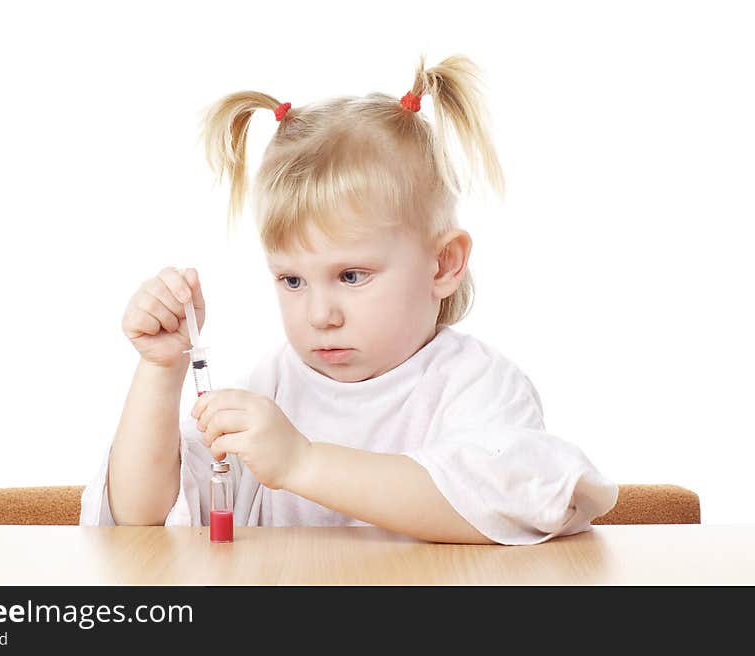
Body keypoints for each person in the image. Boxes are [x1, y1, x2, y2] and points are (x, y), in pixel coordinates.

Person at [80, 53, 618, 545]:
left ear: (444, 264)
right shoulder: (272, 386)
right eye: (292, 281)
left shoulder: (474, 385)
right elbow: (138, 519)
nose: (320, 314)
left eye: (352, 275)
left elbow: (506, 504)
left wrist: (303, 463)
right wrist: (160, 370)